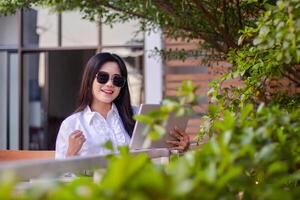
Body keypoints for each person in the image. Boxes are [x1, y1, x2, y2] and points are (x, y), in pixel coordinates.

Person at [55, 52, 190, 159]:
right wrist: (70, 154)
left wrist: (180, 148)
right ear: (90, 80)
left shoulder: (140, 116)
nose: (109, 84)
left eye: (117, 79)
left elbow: (157, 156)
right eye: (103, 77)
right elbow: (59, 177)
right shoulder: (72, 125)